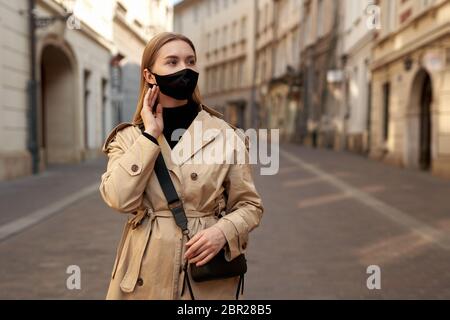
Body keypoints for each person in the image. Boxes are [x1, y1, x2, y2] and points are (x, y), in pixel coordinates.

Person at [99, 32, 264, 300]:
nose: (185, 69)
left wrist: (223, 231)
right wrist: (150, 136)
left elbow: (250, 206)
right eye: (172, 62)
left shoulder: (225, 135)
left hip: (205, 275)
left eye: (190, 61)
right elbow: (119, 199)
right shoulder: (128, 138)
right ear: (149, 75)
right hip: (143, 276)